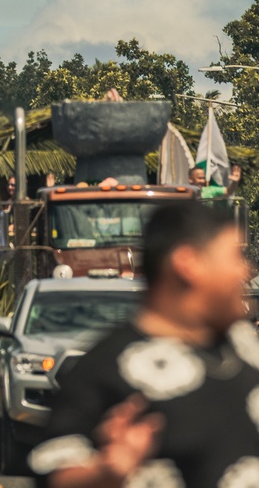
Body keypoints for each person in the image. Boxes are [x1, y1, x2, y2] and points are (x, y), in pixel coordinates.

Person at [31, 201, 255, 488]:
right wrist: (106, 473)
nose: (245, 271)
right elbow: (56, 471)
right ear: (188, 263)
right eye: (234, 258)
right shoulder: (106, 368)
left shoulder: (248, 349)